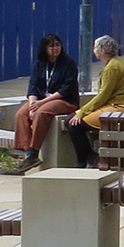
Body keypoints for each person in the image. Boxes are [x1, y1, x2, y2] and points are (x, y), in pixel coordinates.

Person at [63, 35, 124, 169]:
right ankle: (87, 158)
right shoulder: (119, 62)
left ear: (101, 50)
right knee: (70, 120)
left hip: (119, 108)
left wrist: (81, 111)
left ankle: (85, 159)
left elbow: (103, 96)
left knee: (73, 124)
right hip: (121, 105)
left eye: (95, 47)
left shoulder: (111, 68)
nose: (93, 49)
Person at [12, 34, 79, 171]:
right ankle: (28, 153)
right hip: (41, 99)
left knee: (42, 112)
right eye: (51, 46)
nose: (55, 48)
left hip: (64, 100)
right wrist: (32, 106)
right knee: (21, 114)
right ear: (44, 48)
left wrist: (41, 103)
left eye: (57, 45)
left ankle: (34, 150)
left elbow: (66, 89)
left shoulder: (69, 64)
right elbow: (33, 87)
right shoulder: (39, 64)